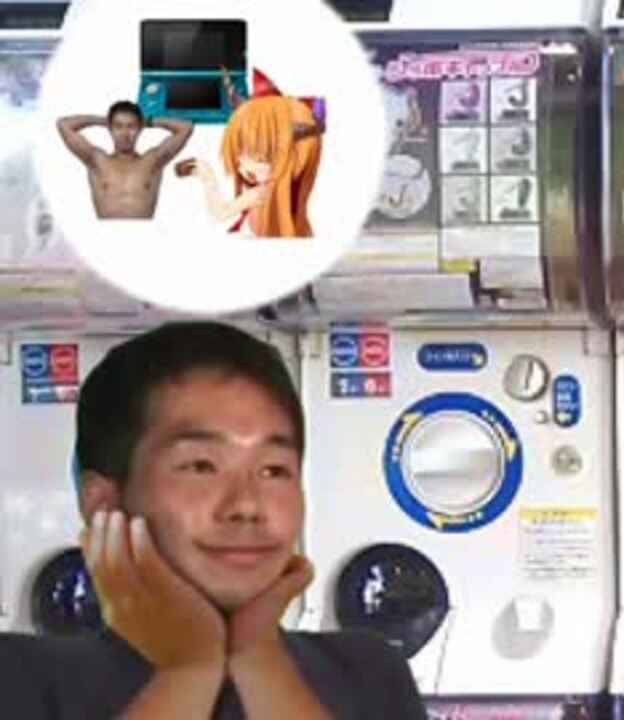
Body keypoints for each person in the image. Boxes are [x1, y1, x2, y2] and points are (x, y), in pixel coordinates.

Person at [0, 322, 427, 719]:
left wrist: (259, 658)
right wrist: (187, 671)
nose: (247, 505)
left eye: (274, 470)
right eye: (202, 466)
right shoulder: (21, 675)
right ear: (104, 504)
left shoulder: (367, 672)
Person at [177, 69, 324, 238]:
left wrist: (208, 179)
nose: (245, 167)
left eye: (260, 158)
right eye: (239, 157)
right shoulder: (275, 196)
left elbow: (220, 213)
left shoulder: (261, 193)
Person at [56, 101, 193, 219]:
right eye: (118, 126)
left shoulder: (153, 161)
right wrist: (104, 121)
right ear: (110, 128)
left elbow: (186, 127)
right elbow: (63, 124)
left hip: (146, 236)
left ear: (139, 128)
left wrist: (148, 121)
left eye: (131, 126)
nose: (125, 133)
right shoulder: (97, 160)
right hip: (104, 236)